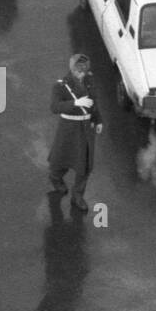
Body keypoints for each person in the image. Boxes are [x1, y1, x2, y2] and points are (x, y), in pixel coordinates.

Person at [47, 53, 102, 211]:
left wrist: (98, 120)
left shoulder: (89, 81)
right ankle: (56, 179)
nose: (81, 74)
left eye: (83, 71)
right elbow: (55, 107)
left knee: (84, 165)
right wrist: (76, 102)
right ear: (72, 70)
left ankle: (77, 196)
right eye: (78, 71)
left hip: (85, 128)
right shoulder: (61, 86)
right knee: (60, 160)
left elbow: (94, 103)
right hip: (68, 128)